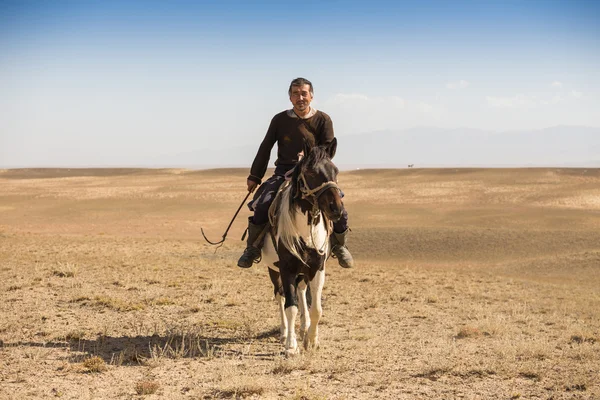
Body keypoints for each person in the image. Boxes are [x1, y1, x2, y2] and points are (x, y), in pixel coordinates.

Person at [237, 77, 354, 269]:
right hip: (285, 172)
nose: (300, 97)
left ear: (311, 96)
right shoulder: (280, 119)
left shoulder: (323, 119)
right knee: (264, 203)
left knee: (337, 204)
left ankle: (340, 246)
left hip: (314, 174)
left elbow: (327, 149)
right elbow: (266, 147)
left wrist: (308, 159)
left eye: (304, 93)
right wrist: (254, 176)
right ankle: (253, 248)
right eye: (295, 93)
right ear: (290, 97)